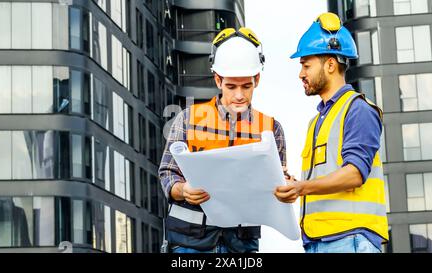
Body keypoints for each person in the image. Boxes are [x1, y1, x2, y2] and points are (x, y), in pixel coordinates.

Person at [158, 28, 287, 253]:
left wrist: (284, 185)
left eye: (246, 86)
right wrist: (182, 189)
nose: (239, 95)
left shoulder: (270, 128)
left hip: (241, 245)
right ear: (218, 80)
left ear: (256, 79)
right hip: (189, 243)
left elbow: (279, 182)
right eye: (231, 86)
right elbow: (167, 173)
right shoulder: (188, 119)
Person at [274, 12, 389, 253]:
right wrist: (294, 184)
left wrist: (301, 188)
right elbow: (320, 180)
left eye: (306, 65)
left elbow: (355, 174)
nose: (301, 74)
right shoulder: (316, 122)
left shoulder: (358, 109)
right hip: (319, 240)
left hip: (351, 238)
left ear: (330, 64)